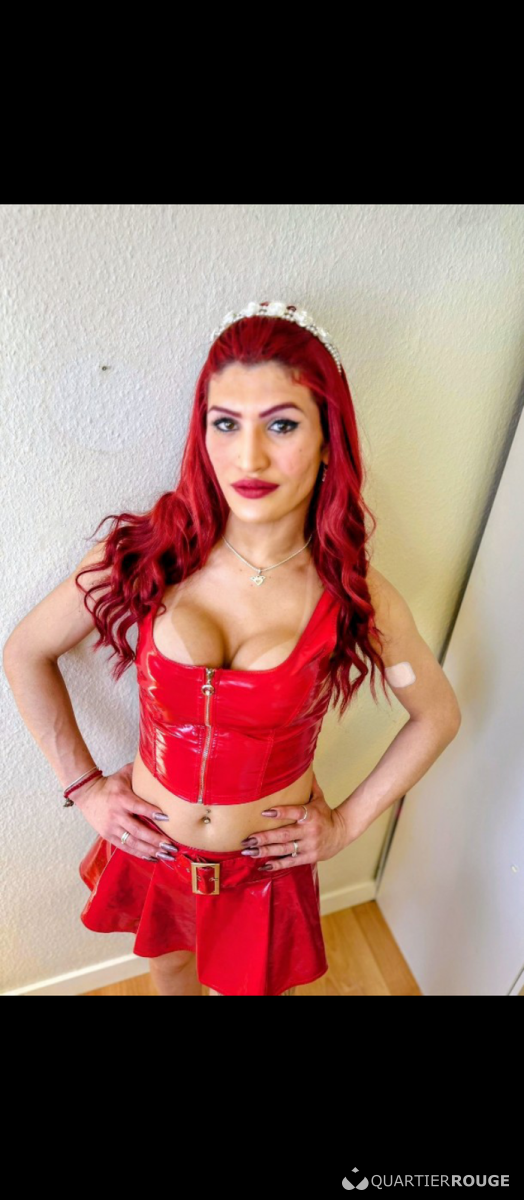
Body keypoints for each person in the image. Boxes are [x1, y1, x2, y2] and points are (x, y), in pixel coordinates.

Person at [3, 300, 462, 996]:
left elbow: (437, 715)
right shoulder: (146, 554)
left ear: (329, 438)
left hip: (266, 870)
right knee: (169, 970)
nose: (248, 457)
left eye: (281, 424)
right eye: (225, 423)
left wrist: (345, 826)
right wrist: (86, 787)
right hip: (155, 850)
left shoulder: (354, 593)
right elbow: (25, 652)